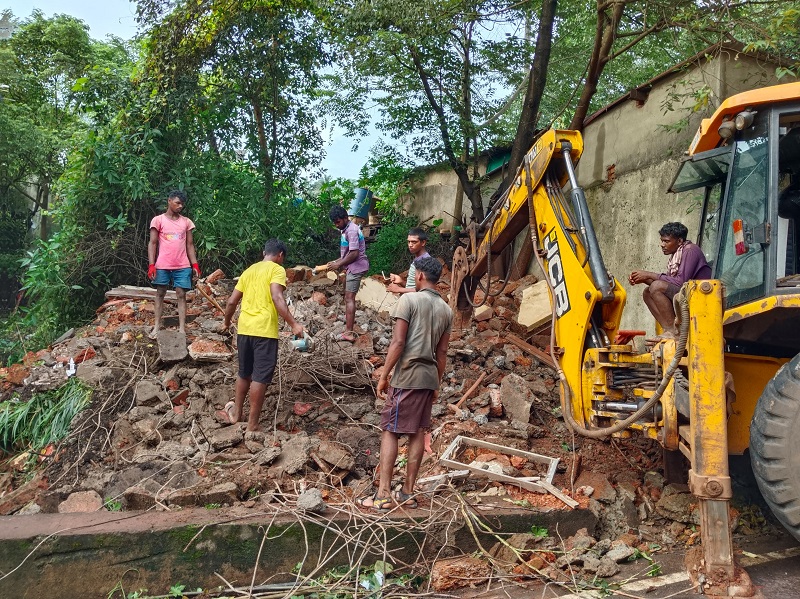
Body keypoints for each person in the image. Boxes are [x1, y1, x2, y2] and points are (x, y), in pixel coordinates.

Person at [358, 257, 452, 510]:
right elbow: (442, 353)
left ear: (420, 276)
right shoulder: (446, 309)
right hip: (429, 376)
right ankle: (408, 493)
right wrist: (437, 385)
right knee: (417, 432)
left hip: (408, 375)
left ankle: (383, 494)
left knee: (390, 430)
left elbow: (398, 343)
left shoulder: (408, 300)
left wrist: (384, 375)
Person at [220, 239, 304, 432]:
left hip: (244, 329)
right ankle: (252, 425)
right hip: (264, 331)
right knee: (260, 377)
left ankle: (237, 415)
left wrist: (226, 322)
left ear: (263, 252)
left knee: (244, 373)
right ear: (280, 255)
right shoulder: (277, 269)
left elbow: (232, 301)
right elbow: (277, 297)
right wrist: (293, 324)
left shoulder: (249, 271)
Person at [629, 222, 711, 337]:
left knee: (656, 287)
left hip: (699, 297)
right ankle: (668, 329)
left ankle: (673, 332)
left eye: (666, 241)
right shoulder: (676, 255)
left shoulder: (690, 250)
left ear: (679, 241)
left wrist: (649, 274)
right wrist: (643, 278)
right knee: (647, 292)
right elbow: (668, 284)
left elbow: (680, 282)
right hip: (685, 295)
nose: (662, 245)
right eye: (662, 241)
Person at [147, 190, 200, 339]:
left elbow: (190, 244)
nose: (180, 206)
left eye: (182, 204)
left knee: (181, 294)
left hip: (182, 264)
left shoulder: (186, 222)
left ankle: (182, 329)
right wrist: (152, 265)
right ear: (169, 201)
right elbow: (152, 243)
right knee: (160, 293)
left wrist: (194, 264)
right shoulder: (158, 220)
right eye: (177, 203)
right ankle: (157, 326)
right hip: (163, 264)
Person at [326, 205, 369, 342]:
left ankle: (349, 333)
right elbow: (347, 253)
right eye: (334, 223)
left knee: (350, 298)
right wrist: (337, 262)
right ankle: (348, 329)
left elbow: (354, 253)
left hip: (356, 267)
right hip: (352, 266)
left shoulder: (351, 230)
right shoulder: (346, 229)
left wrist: (338, 264)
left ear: (345, 218)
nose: (336, 225)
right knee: (348, 297)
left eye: (338, 222)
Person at [386, 227, 431, 294]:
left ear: (423, 242)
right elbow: (414, 287)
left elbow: (425, 290)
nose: (410, 245)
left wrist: (398, 289)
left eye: (414, 242)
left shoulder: (426, 261)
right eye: (409, 241)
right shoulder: (418, 259)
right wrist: (401, 281)